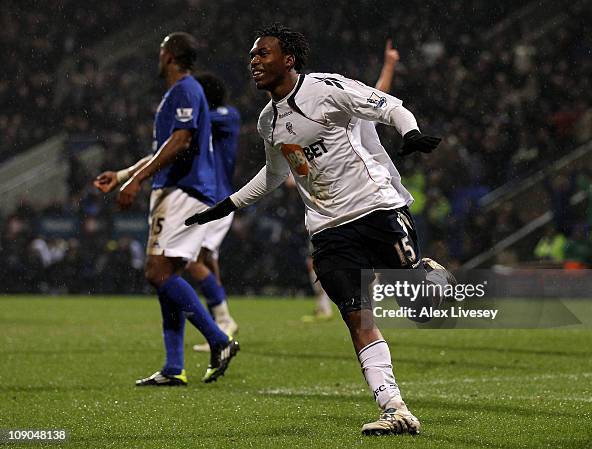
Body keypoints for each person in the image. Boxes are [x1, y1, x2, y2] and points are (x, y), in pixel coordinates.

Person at [185, 24, 453, 435]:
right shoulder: (267, 122)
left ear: (288, 60)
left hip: (376, 209)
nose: (254, 62)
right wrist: (228, 206)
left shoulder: (326, 89)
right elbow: (274, 174)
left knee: (420, 308)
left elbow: (387, 104)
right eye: (252, 55)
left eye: (263, 54)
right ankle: (394, 409)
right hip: (328, 229)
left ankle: (426, 277)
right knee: (356, 318)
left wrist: (410, 132)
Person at [93, 32, 239, 386]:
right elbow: (163, 148)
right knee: (166, 275)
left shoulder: (186, 89)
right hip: (180, 189)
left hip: (182, 190)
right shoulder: (178, 94)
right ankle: (174, 367)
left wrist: (137, 181)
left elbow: (180, 141)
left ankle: (219, 339)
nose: (158, 57)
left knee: (157, 273)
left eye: (160, 51)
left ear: (170, 55)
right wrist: (125, 174)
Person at [302, 38, 401, 323]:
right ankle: (340, 304)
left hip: (358, 198)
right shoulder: (316, 123)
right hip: (328, 202)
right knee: (332, 260)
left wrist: (389, 65)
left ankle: (374, 297)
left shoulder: (349, 114)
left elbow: (379, 96)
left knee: (362, 259)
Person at [188, 72, 240, 352]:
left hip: (216, 200)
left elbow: (196, 120)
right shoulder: (212, 117)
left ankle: (222, 319)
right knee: (207, 261)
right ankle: (223, 322)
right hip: (210, 198)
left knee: (191, 261)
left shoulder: (226, 114)